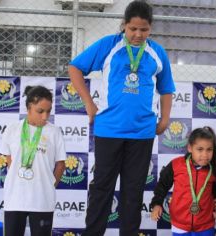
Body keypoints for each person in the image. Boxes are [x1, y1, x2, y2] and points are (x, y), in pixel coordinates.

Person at [68, 1, 175, 235]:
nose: (138, 34)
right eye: (133, 29)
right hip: (109, 130)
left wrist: (165, 118)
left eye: (144, 29)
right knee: (101, 189)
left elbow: (166, 88)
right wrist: (88, 102)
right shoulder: (109, 45)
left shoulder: (156, 52)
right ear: (124, 25)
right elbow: (75, 68)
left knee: (133, 191)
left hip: (142, 133)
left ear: (151, 28)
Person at [0, 85, 66, 236]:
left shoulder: (54, 132)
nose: (45, 116)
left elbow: (61, 164)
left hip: (42, 200)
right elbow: (8, 159)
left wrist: (49, 185)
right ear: (29, 108)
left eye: (48, 111)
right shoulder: (12, 129)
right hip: (15, 198)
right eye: (40, 111)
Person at [150, 127, 216, 236]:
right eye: (200, 149)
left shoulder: (214, 169)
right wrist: (157, 204)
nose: (205, 155)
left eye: (209, 149)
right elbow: (162, 186)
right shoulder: (176, 165)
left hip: (205, 225)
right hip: (180, 224)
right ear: (190, 148)